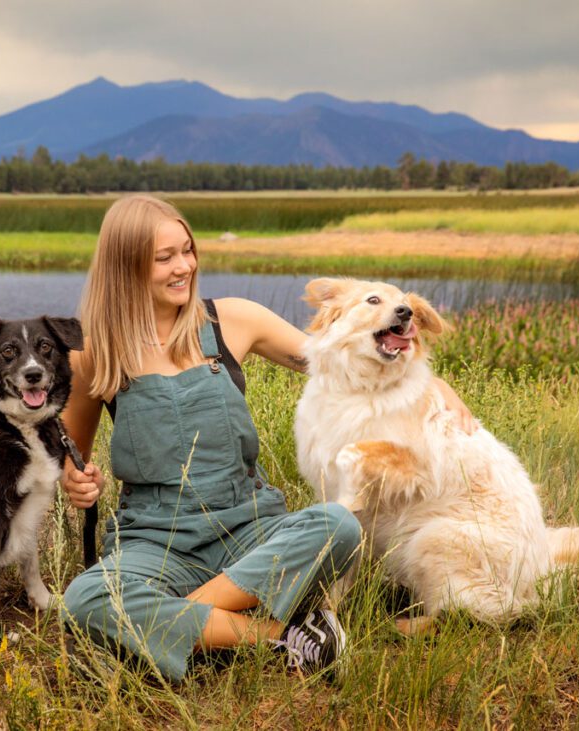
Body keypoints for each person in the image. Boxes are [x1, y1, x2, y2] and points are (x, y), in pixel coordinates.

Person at [58, 195, 473, 683]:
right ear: (125, 266)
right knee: (84, 599)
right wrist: (77, 482)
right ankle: (282, 637)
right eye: (164, 258)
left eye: (188, 250)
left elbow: (337, 356)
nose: (184, 267)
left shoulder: (232, 320)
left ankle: (172, 624)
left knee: (339, 525)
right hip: (155, 539)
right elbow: (69, 456)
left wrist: (430, 382)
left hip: (249, 529)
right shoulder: (94, 351)